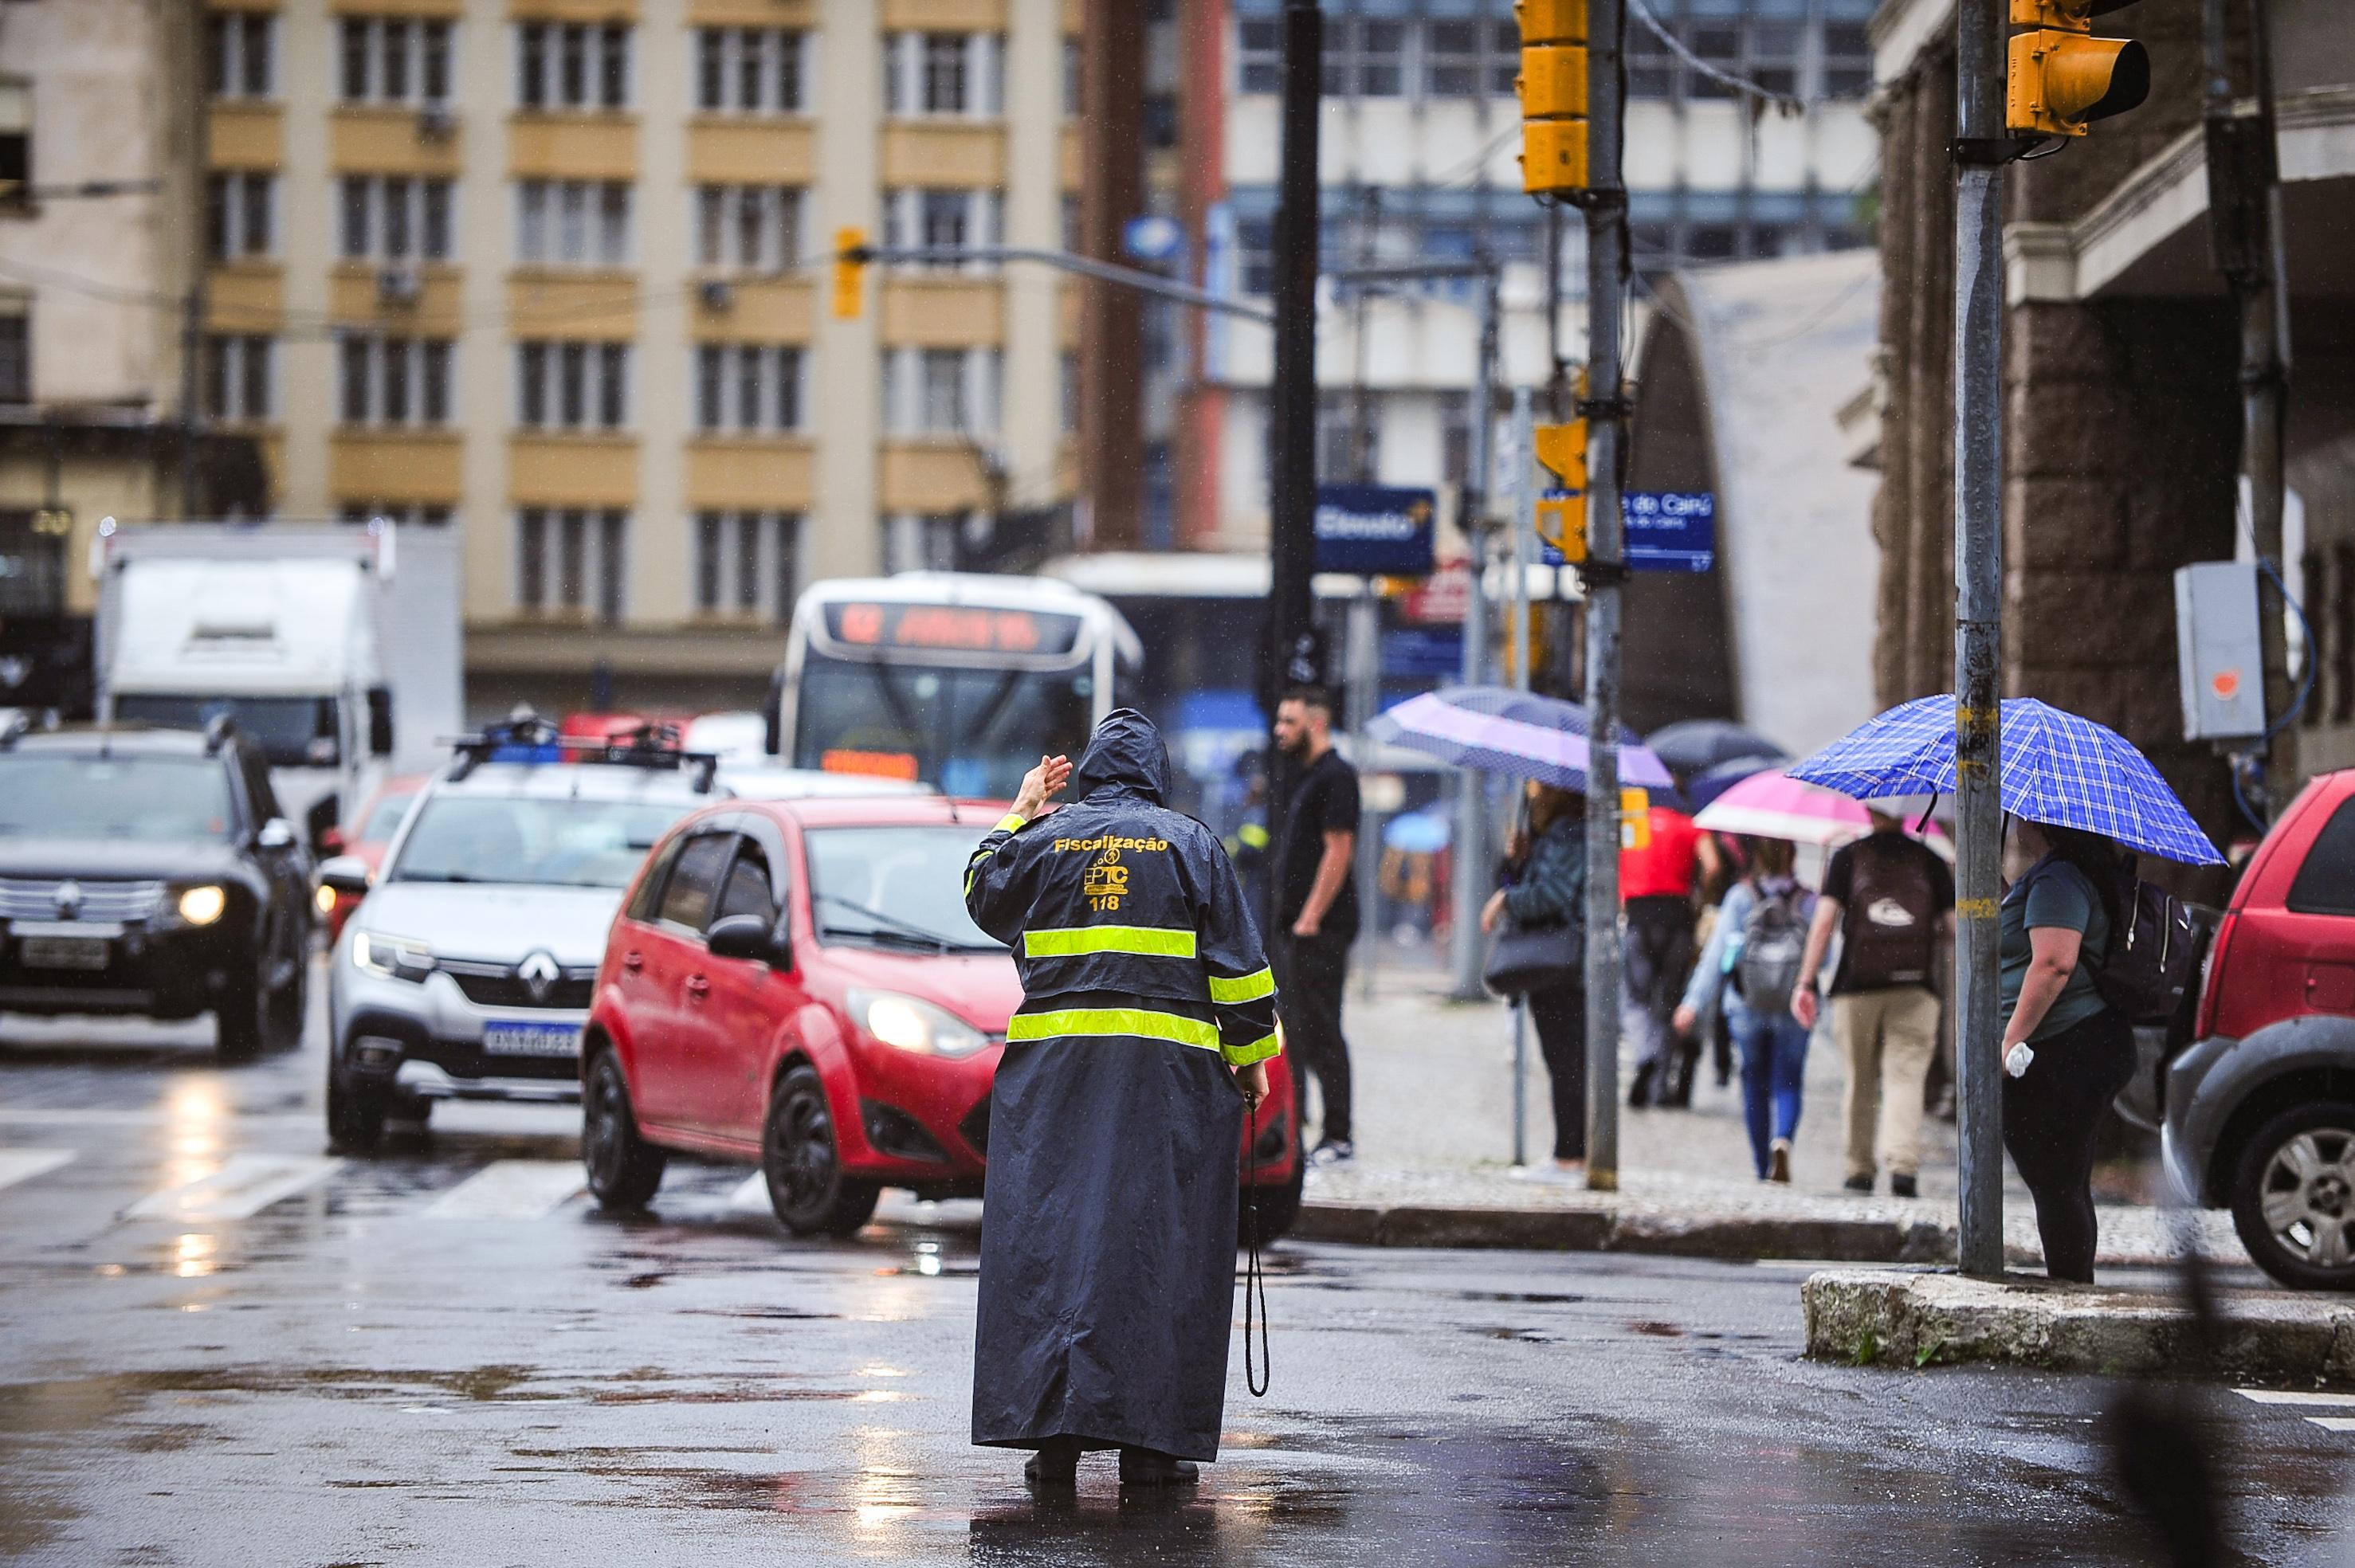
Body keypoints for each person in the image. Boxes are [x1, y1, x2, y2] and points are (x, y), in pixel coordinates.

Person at [962, 711, 1281, 1488]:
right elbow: (1240, 972)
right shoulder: (1193, 845)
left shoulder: (1042, 841)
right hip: (1164, 1089)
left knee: (1052, 1251)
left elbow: (979, 890)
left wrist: (1021, 806)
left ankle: (1054, 1439)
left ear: (1096, 772)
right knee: (1156, 1252)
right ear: (1157, 776)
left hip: (1052, 1089)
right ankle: (1151, 1444)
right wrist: (1252, 1062)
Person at [1792, 809, 1954, 1198]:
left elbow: (1824, 923)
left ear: (1869, 807)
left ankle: (1858, 1170)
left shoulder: (1849, 856)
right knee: (1905, 1078)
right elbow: (1953, 928)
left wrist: (1806, 980)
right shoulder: (1929, 860)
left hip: (1856, 986)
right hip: (1916, 988)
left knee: (1860, 1080)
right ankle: (1902, 1167)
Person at [1999, 817, 2135, 1283]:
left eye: (2020, 815)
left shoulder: (2059, 877)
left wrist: (2010, 1039)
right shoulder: (2063, 873)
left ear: (2039, 823)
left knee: (2056, 1180)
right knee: (2064, 1180)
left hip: (2065, 1046)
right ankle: (2073, 1282)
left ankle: (2071, 1287)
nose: (2014, 822)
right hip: (2082, 1043)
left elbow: (2055, 963)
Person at [1675, 837, 1814, 1182]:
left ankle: (1760, 1166)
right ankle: (1782, 1140)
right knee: (1788, 1080)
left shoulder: (1740, 897)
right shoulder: (1808, 900)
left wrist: (1693, 1003)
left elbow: (1718, 955)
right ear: (1793, 855)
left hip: (1745, 1003)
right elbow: (1822, 958)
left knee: (1754, 1082)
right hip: (1793, 1005)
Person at [1481, 779, 1589, 1179]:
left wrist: (1507, 899)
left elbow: (1553, 894)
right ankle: (1570, 1154)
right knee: (1564, 1060)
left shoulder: (1568, 834)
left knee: (1567, 1061)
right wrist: (1514, 862)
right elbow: (1525, 884)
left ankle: (1569, 1158)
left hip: (1562, 964)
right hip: (1559, 964)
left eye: (1539, 784)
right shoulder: (1555, 835)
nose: (1531, 790)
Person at [1271, 687, 1360, 1165]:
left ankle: (1339, 1134)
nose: (1280, 730)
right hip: (1297, 928)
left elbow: (1339, 848)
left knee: (1323, 1028)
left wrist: (1310, 916)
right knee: (1299, 1031)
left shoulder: (1336, 776)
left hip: (1320, 930)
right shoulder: (1304, 777)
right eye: (1280, 721)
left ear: (1317, 723)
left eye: (1290, 721)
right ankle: (1304, 1133)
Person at [1621, 800, 1721, 1107]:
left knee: (1636, 999)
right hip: (1678, 919)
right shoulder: (1690, 825)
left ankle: (1645, 1053)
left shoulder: (1634, 823)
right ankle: (1661, 1085)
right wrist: (1699, 896)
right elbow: (1713, 865)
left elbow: (1619, 866)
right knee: (1669, 1004)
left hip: (1639, 916)